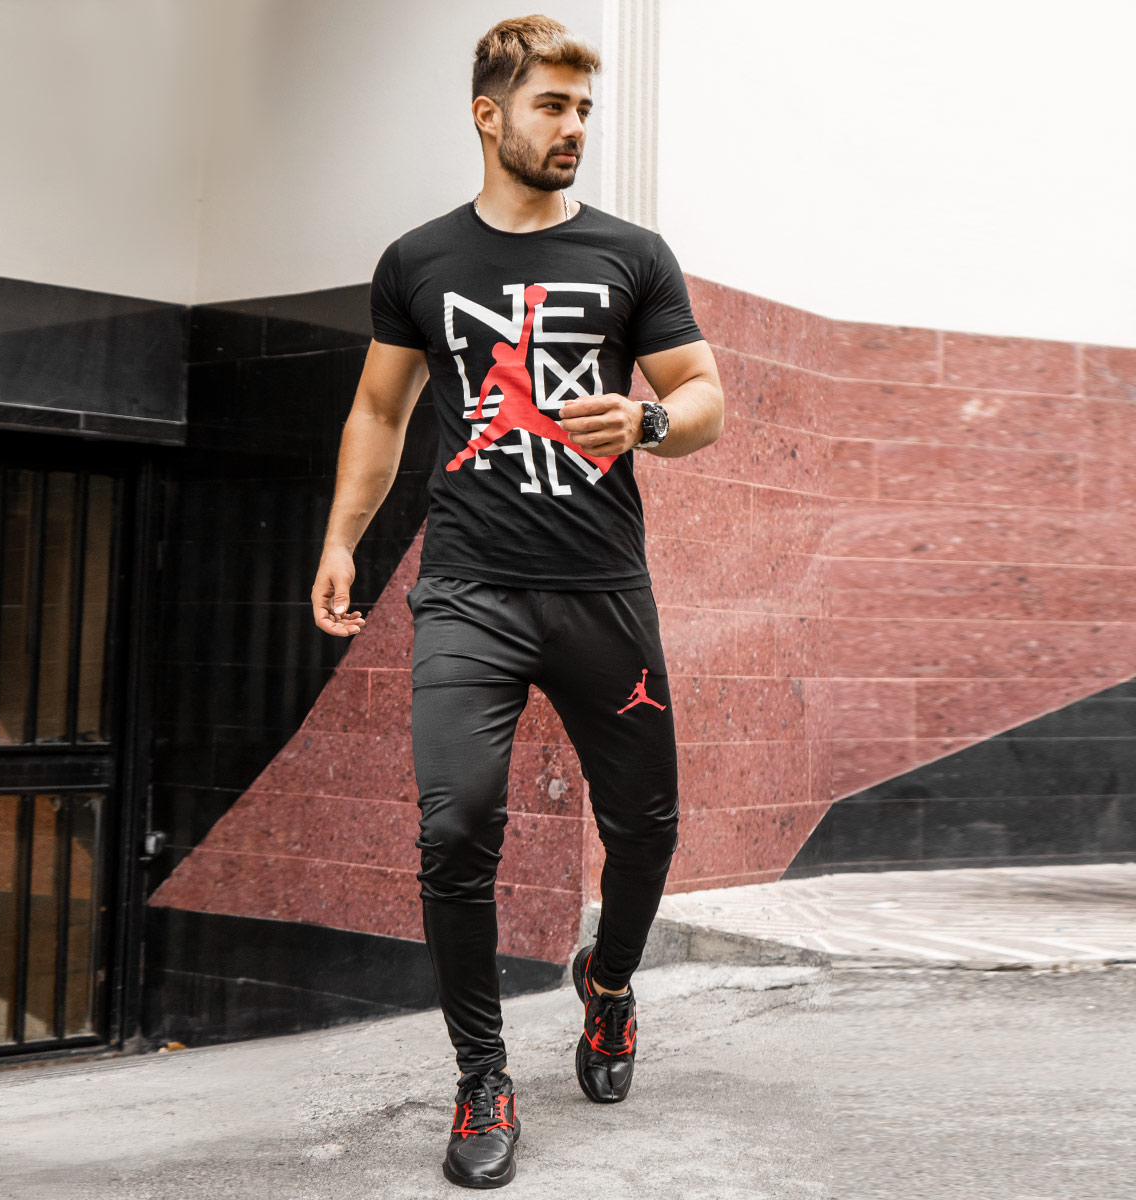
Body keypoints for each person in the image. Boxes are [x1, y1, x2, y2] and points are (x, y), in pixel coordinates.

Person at [310, 14, 723, 1190]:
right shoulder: (419, 261)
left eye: (585, 108)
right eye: (553, 105)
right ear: (489, 114)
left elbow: (702, 395)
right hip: (469, 591)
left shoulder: (633, 255)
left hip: (602, 592)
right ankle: (482, 1073)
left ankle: (609, 984)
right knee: (454, 829)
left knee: (646, 827)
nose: (575, 127)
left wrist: (647, 419)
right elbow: (380, 411)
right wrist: (342, 539)